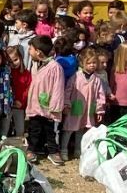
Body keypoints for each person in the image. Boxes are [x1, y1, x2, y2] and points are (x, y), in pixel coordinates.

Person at [25, 35, 65, 166]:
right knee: (34, 129)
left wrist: (55, 106)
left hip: (48, 106)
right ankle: (32, 150)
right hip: (36, 104)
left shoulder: (55, 67)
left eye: (30, 49)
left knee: (49, 130)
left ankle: (53, 152)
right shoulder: (37, 65)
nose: (29, 51)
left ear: (38, 52)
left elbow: (58, 87)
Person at [61, 49, 105, 161]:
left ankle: (78, 150)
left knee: (81, 129)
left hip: (88, 108)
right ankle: (63, 150)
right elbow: (67, 91)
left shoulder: (97, 79)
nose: (92, 65)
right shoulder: (76, 76)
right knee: (69, 129)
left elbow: (100, 95)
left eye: (94, 62)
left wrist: (99, 110)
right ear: (82, 63)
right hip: (75, 107)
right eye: (89, 63)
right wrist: (66, 103)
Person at [6, 45, 30, 143]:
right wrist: (12, 100)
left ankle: (19, 147)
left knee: (20, 130)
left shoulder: (26, 73)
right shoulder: (7, 73)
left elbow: (27, 89)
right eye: (10, 62)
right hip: (8, 105)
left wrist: (21, 101)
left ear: (20, 57)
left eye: (15, 60)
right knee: (5, 129)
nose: (13, 63)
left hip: (20, 106)